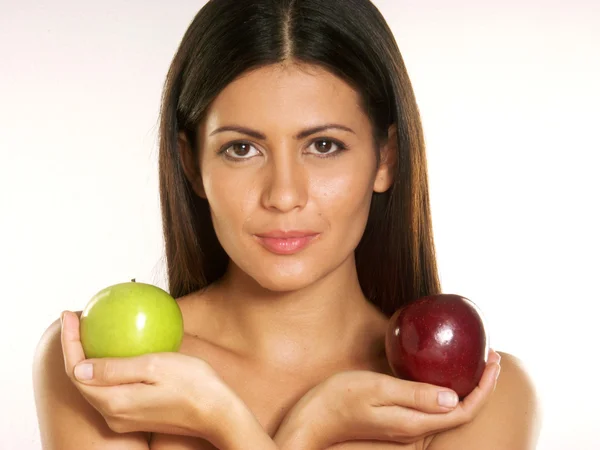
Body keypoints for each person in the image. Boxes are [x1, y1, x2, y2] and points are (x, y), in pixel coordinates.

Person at [32, 0, 541, 449]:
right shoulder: (104, 365)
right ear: (192, 166)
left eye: (323, 146)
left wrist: (286, 426)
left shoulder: (473, 394)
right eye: (242, 149)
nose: (283, 195)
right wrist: (255, 422)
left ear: (386, 158)